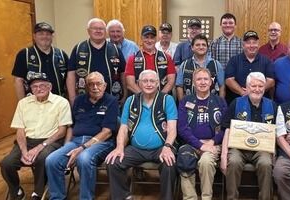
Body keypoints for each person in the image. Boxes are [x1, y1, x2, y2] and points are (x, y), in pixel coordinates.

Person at [105, 70, 177, 200]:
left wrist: (167, 146)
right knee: (113, 162)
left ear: (158, 84)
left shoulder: (167, 100)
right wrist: (120, 147)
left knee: (169, 163)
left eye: (152, 81)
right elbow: (123, 127)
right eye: (145, 81)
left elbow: (172, 129)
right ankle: (124, 197)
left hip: (160, 148)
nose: (149, 84)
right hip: (135, 149)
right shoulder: (131, 100)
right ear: (138, 83)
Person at [45, 72, 118, 200]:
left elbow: (107, 132)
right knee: (52, 160)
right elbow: (71, 127)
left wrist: (83, 147)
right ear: (86, 87)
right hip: (76, 141)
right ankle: (57, 197)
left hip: (102, 142)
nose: (95, 87)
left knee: (83, 159)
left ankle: (86, 198)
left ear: (105, 85)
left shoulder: (111, 101)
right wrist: (67, 145)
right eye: (91, 84)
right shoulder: (79, 100)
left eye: (98, 84)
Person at [0, 72, 72, 200]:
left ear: (50, 87)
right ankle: (16, 190)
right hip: (27, 141)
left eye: (42, 85)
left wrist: (40, 147)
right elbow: (20, 130)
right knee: (6, 163)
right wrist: (24, 151)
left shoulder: (61, 102)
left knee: (42, 158)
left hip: (51, 141)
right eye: (34, 86)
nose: (38, 89)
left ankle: (38, 192)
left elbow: (62, 131)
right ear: (30, 89)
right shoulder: (23, 103)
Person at [220, 72, 277, 200]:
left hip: (262, 150)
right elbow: (227, 130)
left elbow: (276, 133)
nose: (257, 89)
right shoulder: (236, 103)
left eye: (260, 86)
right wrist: (223, 155)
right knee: (233, 161)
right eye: (253, 86)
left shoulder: (272, 105)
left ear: (264, 88)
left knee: (266, 163)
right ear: (246, 87)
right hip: (238, 148)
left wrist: (274, 153)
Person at [177, 68, 228, 200]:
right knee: (185, 158)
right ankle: (190, 198)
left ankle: (206, 197)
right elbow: (182, 128)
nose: (203, 82)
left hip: (213, 144)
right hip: (191, 143)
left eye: (206, 79)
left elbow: (226, 127)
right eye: (199, 79)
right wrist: (199, 144)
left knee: (206, 162)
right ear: (194, 82)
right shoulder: (185, 101)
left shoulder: (220, 101)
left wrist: (212, 142)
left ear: (211, 82)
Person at [66, 18, 126, 105]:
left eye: (101, 29)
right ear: (88, 31)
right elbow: (71, 74)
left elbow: (123, 73)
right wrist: (72, 98)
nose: (98, 31)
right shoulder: (79, 48)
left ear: (105, 31)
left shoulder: (115, 49)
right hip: (84, 102)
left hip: (111, 100)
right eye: (95, 28)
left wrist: (125, 95)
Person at [12, 22, 69, 99]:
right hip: (33, 103)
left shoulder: (61, 54)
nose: (45, 36)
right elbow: (18, 80)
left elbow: (69, 78)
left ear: (52, 36)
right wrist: (22, 103)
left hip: (58, 102)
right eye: (41, 33)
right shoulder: (25, 54)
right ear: (34, 36)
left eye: (48, 34)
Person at [225, 30, 274, 104]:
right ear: (243, 45)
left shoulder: (266, 61)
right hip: (238, 102)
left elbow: (271, 81)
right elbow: (229, 80)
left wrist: (256, 91)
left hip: (261, 104)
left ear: (258, 44)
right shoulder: (234, 60)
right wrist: (243, 92)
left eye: (254, 43)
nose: (251, 46)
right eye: (248, 43)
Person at [125, 25, 176, 95]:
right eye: (146, 37)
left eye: (152, 38)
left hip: (162, 98)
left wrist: (159, 98)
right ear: (141, 38)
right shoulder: (132, 58)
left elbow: (171, 82)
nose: (149, 40)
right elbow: (130, 84)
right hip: (139, 98)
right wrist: (145, 97)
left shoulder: (167, 57)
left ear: (156, 39)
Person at [176, 34, 225, 100]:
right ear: (192, 48)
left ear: (207, 47)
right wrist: (182, 104)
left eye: (204, 45)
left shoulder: (216, 65)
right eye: (197, 45)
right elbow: (179, 86)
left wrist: (221, 104)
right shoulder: (184, 65)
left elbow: (222, 86)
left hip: (212, 105)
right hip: (190, 105)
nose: (201, 47)